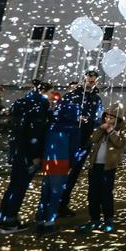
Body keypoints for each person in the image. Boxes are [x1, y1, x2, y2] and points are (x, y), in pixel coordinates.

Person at [0, 81, 54, 233]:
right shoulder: (39, 106)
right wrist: (35, 155)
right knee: (19, 187)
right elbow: (35, 131)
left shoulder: (23, 103)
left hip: (17, 149)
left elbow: (18, 128)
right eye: (50, 93)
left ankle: (4, 219)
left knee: (13, 186)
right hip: (28, 153)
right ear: (43, 92)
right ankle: (10, 222)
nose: (51, 96)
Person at [79, 102, 126, 233]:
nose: (108, 120)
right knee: (93, 194)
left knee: (106, 194)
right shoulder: (102, 127)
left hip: (108, 167)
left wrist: (111, 131)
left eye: (112, 118)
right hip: (95, 165)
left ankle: (108, 220)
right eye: (107, 117)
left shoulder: (124, 129)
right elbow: (93, 139)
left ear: (118, 119)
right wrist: (101, 129)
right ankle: (94, 220)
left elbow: (120, 143)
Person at [58, 70, 103, 217]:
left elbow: (98, 118)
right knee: (62, 172)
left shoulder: (96, 98)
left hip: (85, 141)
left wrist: (95, 124)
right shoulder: (72, 96)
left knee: (74, 174)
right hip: (69, 139)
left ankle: (63, 203)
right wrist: (76, 118)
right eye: (88, 79)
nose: (91, 81)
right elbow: (61, 114)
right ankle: (55, 203)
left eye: (93, 80)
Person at [36, 92, 81, 233]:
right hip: (62, 162)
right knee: (56, 194)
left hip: (49, 161)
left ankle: (40, 219)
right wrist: (72, 164)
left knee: (46, 192)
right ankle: (49, 222)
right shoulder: (73, 129)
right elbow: (74, 148)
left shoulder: (52, 126)